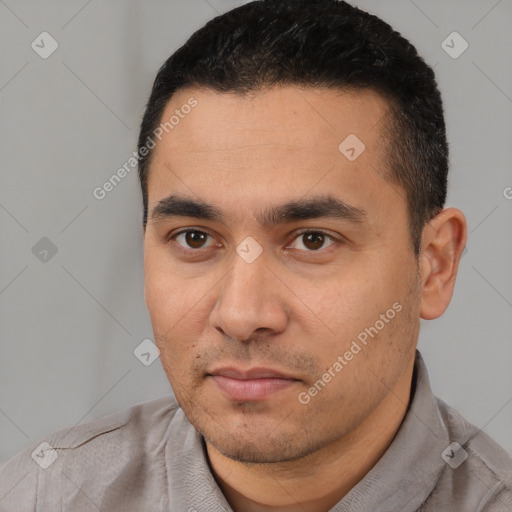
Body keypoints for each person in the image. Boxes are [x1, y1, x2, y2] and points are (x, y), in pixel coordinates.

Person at [1, 1, 511, 510]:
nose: (242, 316)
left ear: (434, 265)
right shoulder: (40, 495)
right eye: (195, 238)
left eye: (313, 240)